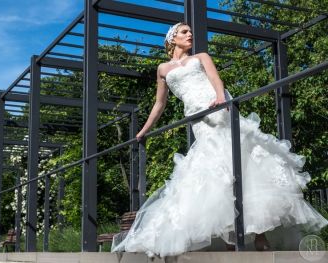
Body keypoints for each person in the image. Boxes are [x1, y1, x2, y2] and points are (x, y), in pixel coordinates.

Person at [111, 22, 328, 257]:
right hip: (198, 122)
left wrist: (219, 100)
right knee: (217, 176)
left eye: (191, 31)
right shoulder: (163, 69)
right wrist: (143, 130)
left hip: (218, 111)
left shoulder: (202, 57)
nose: (190, 34)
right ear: (172, 38)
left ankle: (260, 235)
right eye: (184, 32)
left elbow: (216, 80)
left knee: (242, 166)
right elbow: (160, 103)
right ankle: (229, 239)